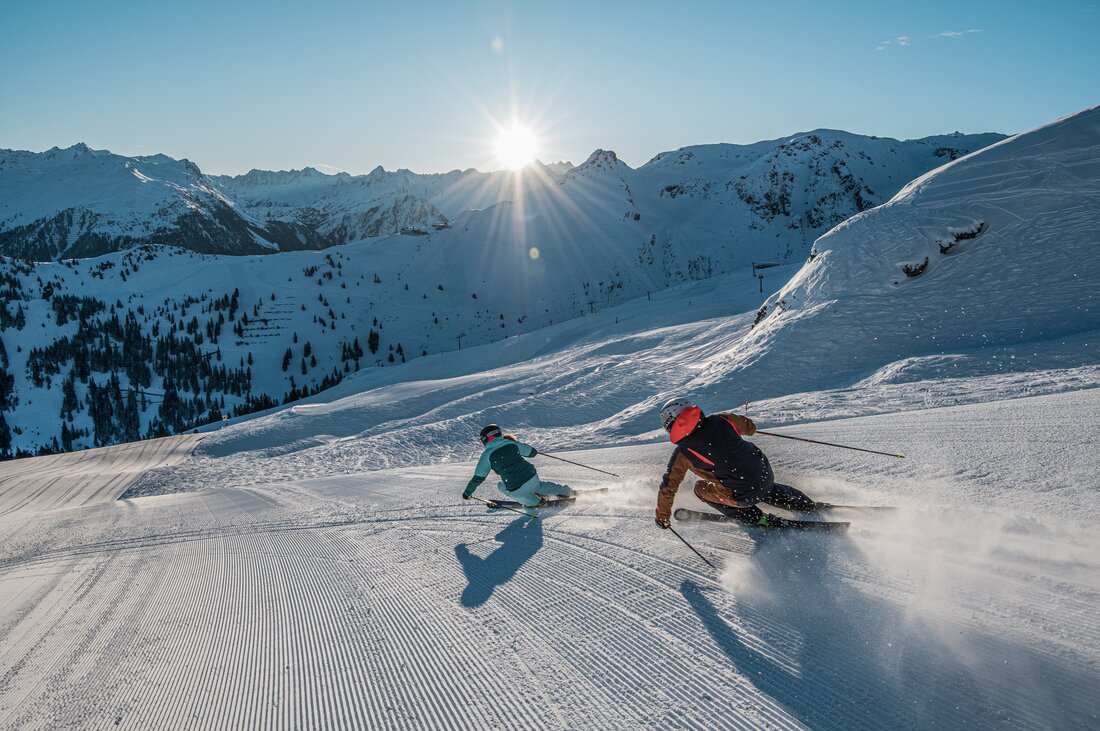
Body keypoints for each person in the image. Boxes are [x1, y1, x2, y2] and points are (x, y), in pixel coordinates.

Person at [653, 397, 819, 529]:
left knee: (701, 488)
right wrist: (743, 429)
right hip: (766, 474)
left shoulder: (683, 453)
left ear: (671, 423)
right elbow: (749, 426)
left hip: (744, 494)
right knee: (756, 480)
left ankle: (754, 518)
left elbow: (668, 487)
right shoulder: (721, 419)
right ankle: (806, 504)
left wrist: (662, 517)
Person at [463, 424, 573, 514]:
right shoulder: (511, 443)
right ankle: (568, 492)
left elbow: (478, 478)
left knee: (501, 486)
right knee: (539, 486)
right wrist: (514, 443)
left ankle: (536, 502)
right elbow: (532, 453)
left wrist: (467, 493)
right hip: (531, 476)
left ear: (485, 439)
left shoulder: (486, 455)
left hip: (515, 487)